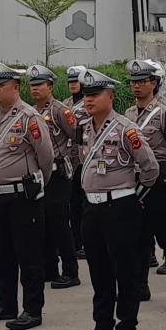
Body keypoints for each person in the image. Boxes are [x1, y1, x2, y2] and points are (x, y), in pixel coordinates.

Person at [71, 68, 160, 330]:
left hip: (119, 208)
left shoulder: (125, 129)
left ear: (110, 96)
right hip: (93, 208)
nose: (89, 100)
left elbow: (150, 168)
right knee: (99, 271)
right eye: (86, 95)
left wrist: (135, 197)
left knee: (126, 272)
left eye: (95, 95)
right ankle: (102, 327)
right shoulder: (85, 127)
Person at [0, 63, 54, 330]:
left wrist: (35, 186)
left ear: (15, 88)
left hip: (23, 196)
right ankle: (6, 303)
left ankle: (32, 310)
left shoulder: (29, 117)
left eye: (1, 86)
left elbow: (46, 157)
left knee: (28, 255)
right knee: (1, 252)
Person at [127, 59, 166, 311]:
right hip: (134, 180)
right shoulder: (129, 114)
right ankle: (141, 286)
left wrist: (165, 173)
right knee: (138, 237)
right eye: (134, 82)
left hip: (158, 182)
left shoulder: (165, 113)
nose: (137, 86)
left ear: (154, 83)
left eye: (143, 81)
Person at [28, 65, 79, 289]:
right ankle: (50, 268)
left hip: (58, 172)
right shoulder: (29, 111)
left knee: (59, 223)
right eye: (32, 85)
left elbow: (76, 137)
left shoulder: (60, 110)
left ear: (50, 86)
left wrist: (71, 164)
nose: (35, 89)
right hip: (38, 173)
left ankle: (70, 271)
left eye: (39, 85)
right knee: (43, 222)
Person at [64, 66, 89, 260]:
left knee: (83, 203)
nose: (73, 84)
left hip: (83, 159)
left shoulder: (89, 103)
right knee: (71, 204)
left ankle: (83, 241)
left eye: (76, 81)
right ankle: (74, 241)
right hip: (68, 160)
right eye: (70, 81)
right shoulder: (64, 104)